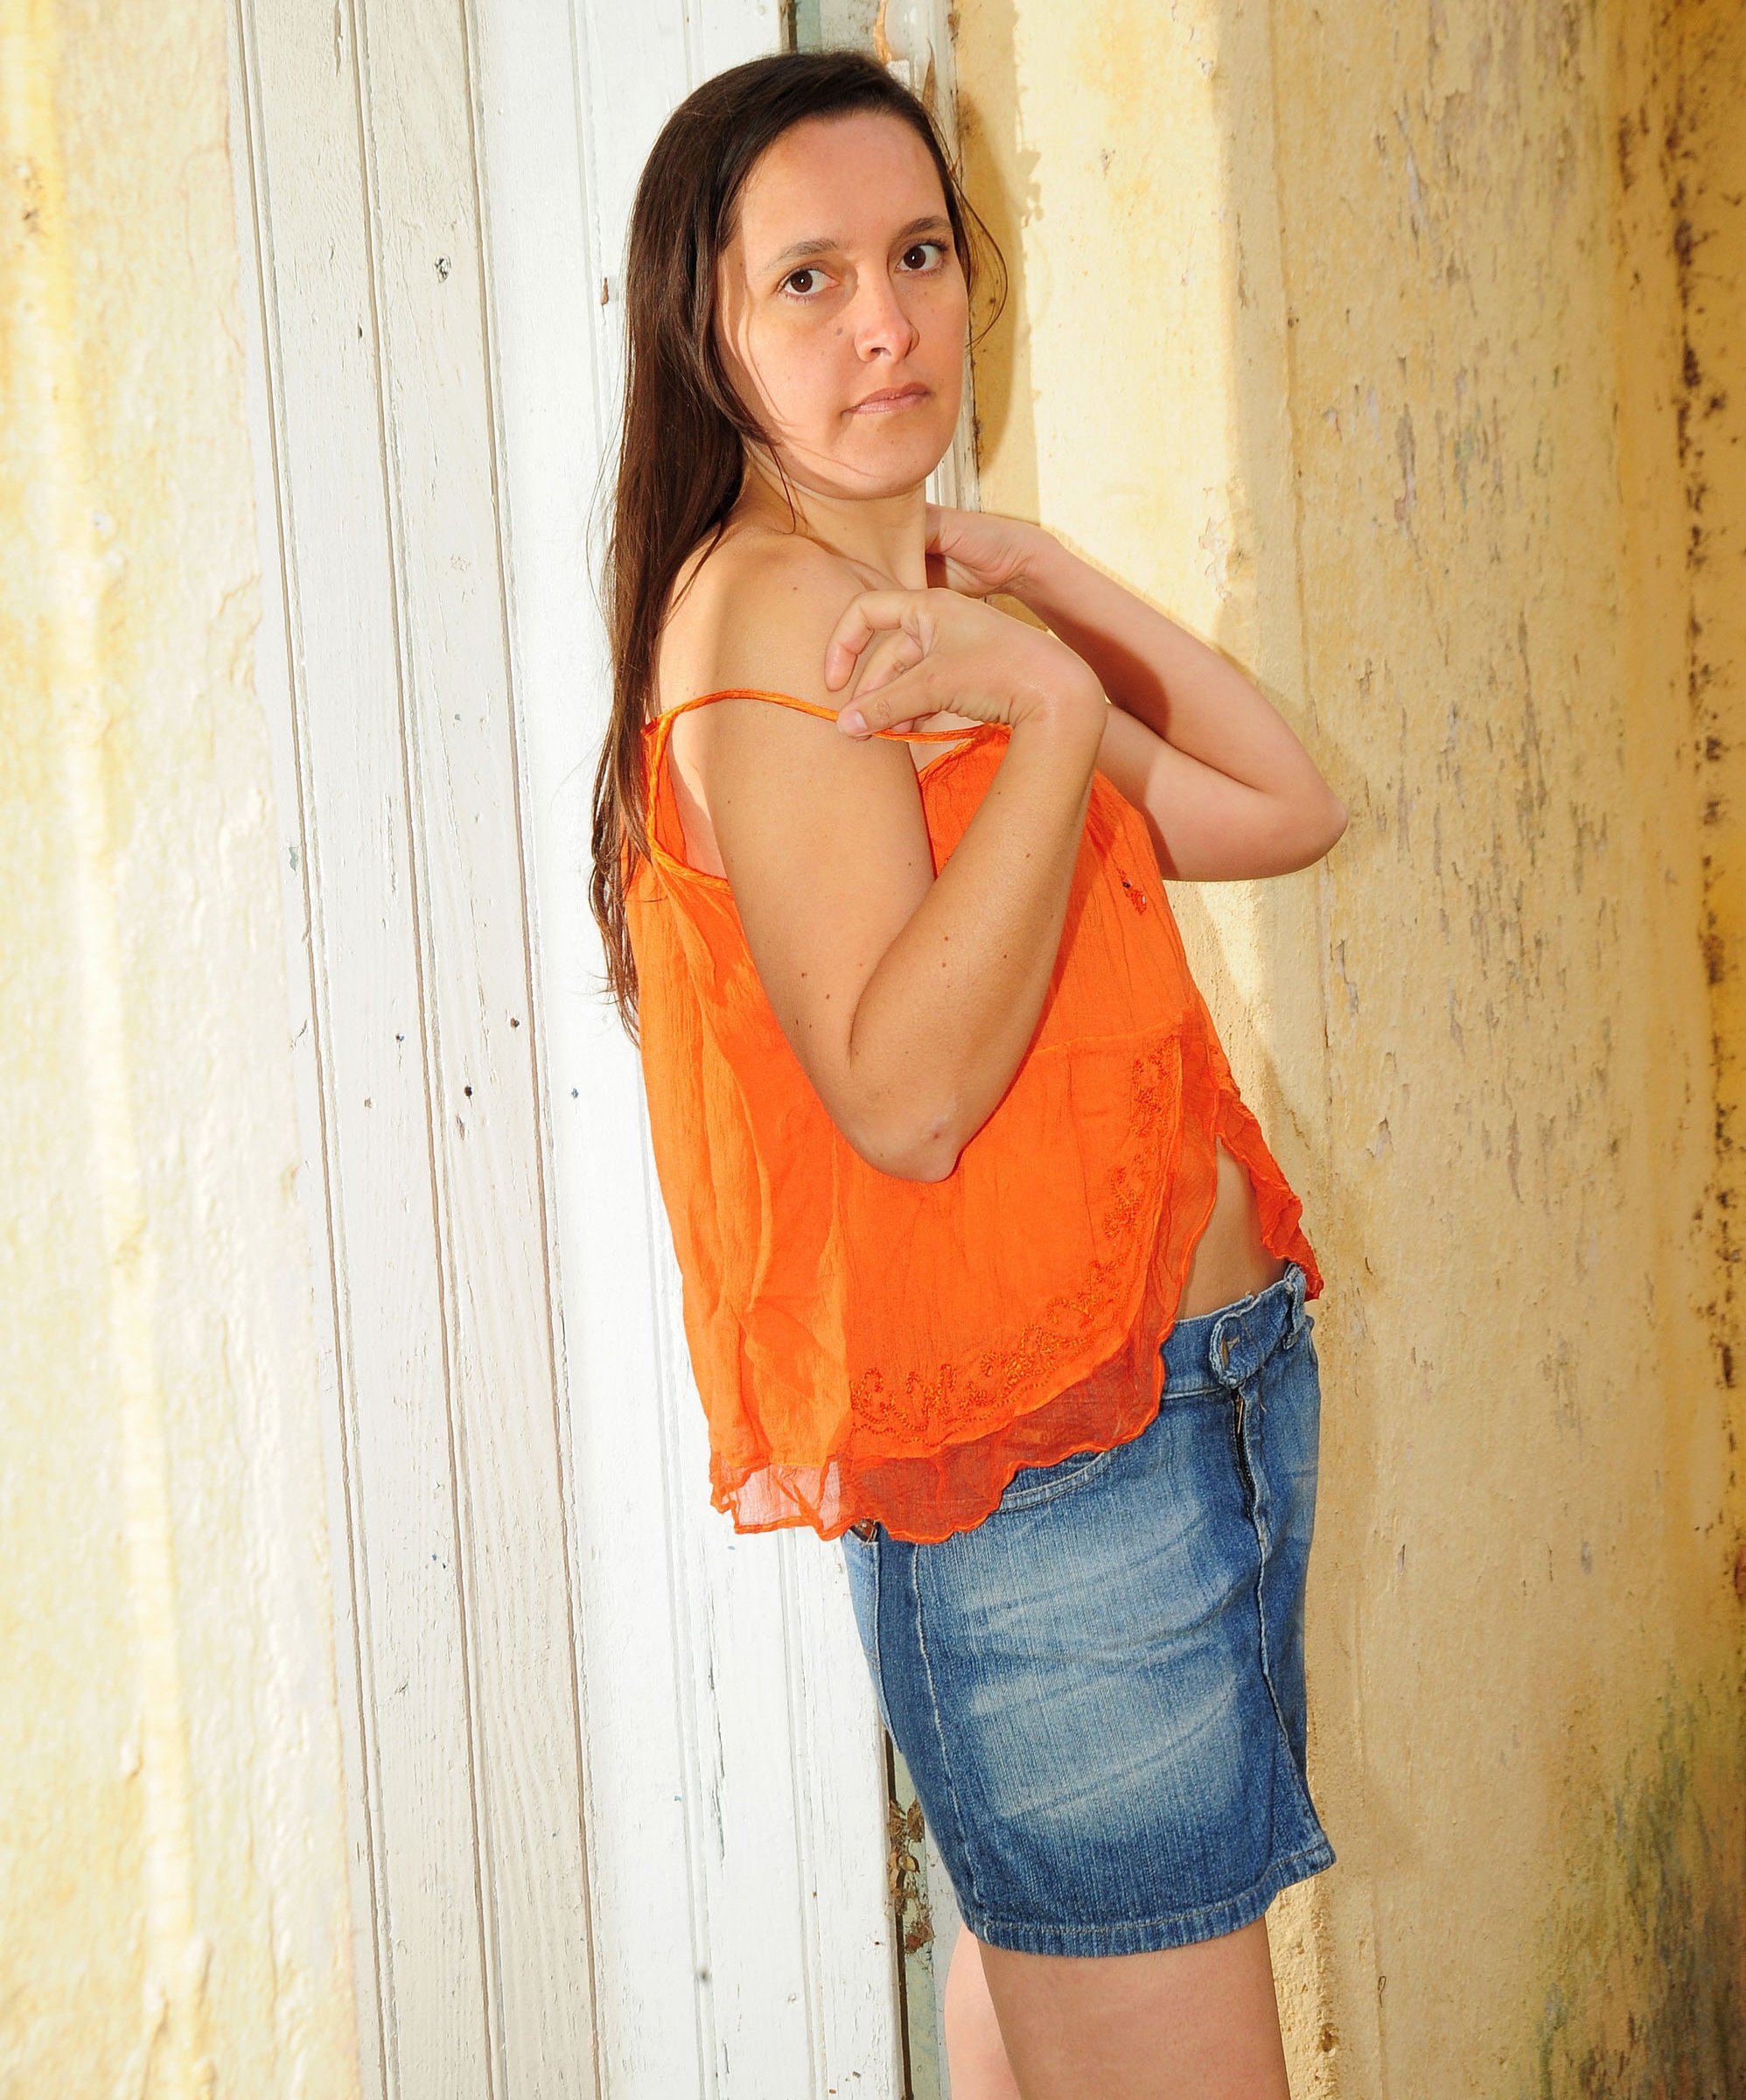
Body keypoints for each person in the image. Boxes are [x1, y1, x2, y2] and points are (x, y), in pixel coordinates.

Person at [589, 46, 1348, 2100]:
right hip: (1054, 1479)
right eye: (808, 279)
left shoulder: (906, 609)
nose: (886, 321)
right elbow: (902, 1098)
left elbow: (1279, 806)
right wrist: (1042, 714)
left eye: (917, 255)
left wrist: (1042, 595)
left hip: (1171, 1404)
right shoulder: (778, 626)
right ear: (704, 333)